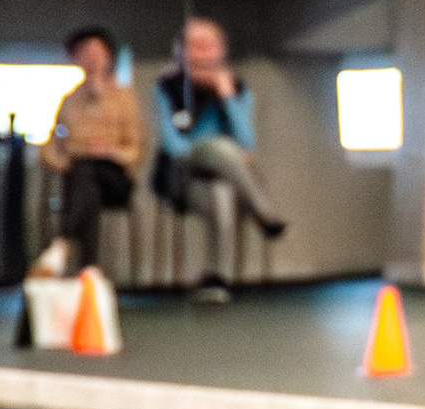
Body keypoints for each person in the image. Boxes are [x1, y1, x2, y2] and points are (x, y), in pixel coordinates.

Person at [153, 17, 286, 304]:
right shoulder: (168, 87)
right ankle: (262, 210)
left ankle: (216, 280)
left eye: (209, 45)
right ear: (181, 50)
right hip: (181, 174)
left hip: (223, 178)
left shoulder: (237, 89)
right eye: (195, 45)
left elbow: (247, 141)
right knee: (222, 147)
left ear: (221, 50)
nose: (203, 52)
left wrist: (226, 95)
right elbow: (171, 141)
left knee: (222, 190)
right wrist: (207, 152)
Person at [34, 26, 143, 278]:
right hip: (79, 176)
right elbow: (50, 147)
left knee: (89, 173)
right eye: (85, 53)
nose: (92, 58)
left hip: (115, 177)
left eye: (98, 52)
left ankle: (61, 243)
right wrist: (65, 162)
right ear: (75, 58)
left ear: (109, 57)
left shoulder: (124, 98)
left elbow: (135, 149)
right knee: (87, 184)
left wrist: (108, 151)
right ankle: (88, 271)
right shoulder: (69, 100)